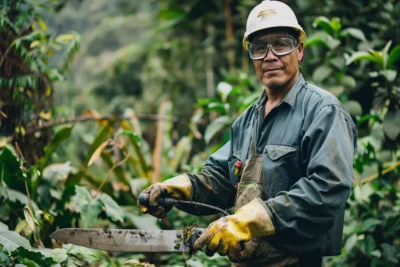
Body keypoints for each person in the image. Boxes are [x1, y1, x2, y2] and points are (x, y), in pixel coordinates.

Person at [138, 0, 357, 266]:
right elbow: (222, 178)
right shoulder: (247, 121)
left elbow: (328, 188)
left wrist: (254, 218)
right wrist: (183, 188)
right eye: (259, 48)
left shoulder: (323, 111)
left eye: (281, 44)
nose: (270, 56)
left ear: (299, 50)